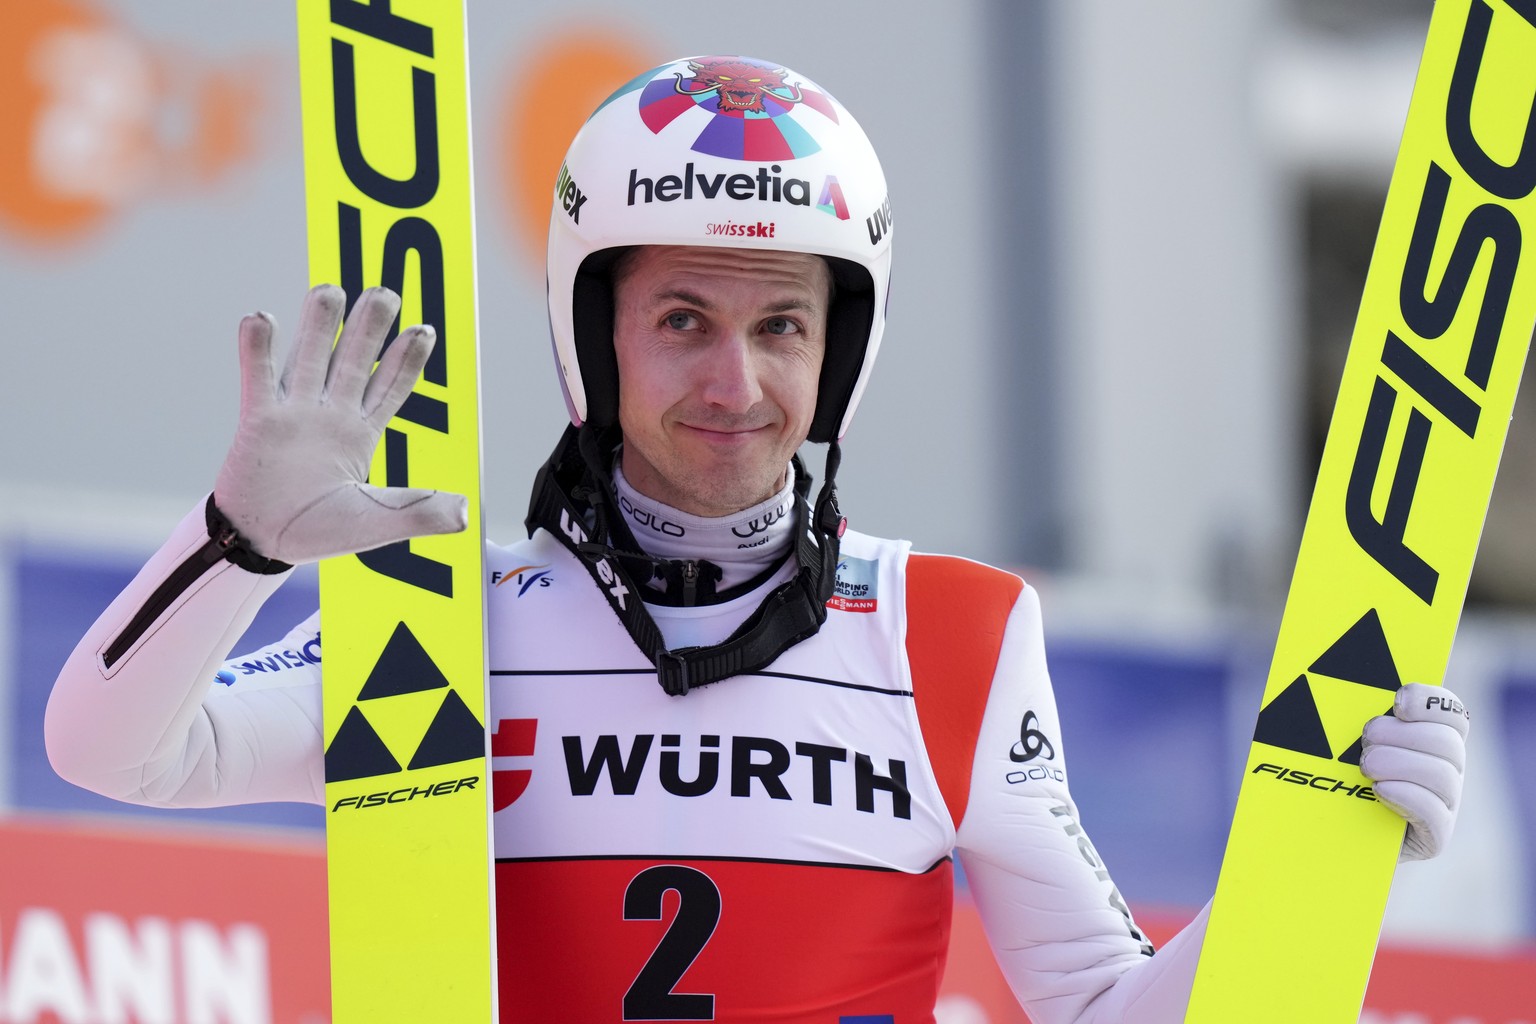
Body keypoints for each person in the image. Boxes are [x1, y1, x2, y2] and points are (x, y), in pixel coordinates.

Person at [44, 55, 1470, 1023]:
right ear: (592, 340)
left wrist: (1319, 854)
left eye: (783, 325)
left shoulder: (957, 634)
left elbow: (1107, 1007)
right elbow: (108, 751)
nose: (737, 385)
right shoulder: (444, 619)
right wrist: (235, 541)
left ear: (839, 351)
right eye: (682, 323)